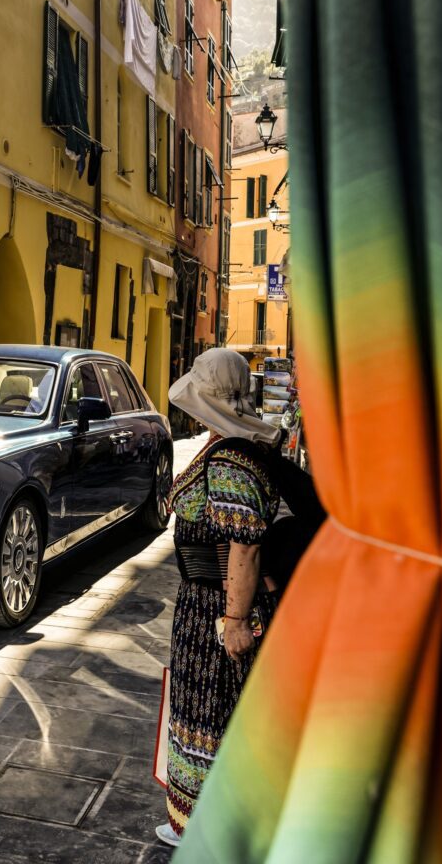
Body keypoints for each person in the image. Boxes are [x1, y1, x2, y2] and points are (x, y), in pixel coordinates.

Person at [157, 348, 283, 847]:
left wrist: (234, 619)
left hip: (218, 609)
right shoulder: (230, 446)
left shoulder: (232, 459)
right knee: (202, 712)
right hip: (203, 606)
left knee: (215, 712)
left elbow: (245, 546)